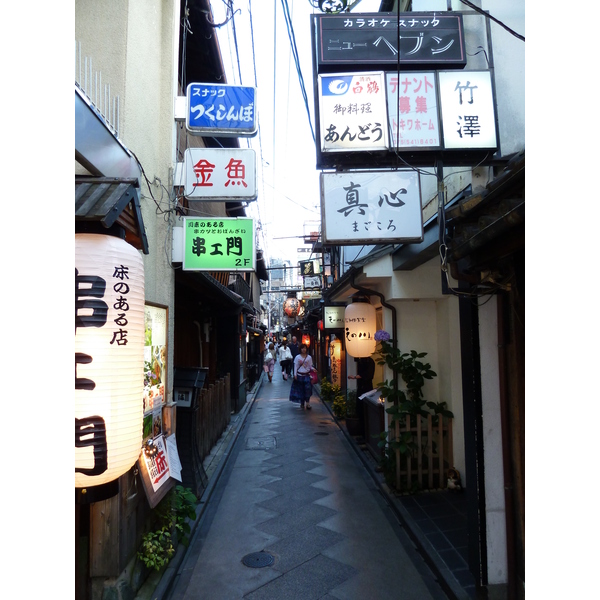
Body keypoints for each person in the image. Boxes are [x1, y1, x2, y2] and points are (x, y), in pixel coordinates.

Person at [348, 356, 375, 437]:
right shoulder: (361, 360)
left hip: (366, 389)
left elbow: (367, 375)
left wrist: (355, 377)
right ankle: (362, 433)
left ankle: (365, 434)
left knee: (364, 411)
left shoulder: (369, 361)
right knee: (359, 410)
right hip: (361, 389)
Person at [289, 343, 313, 409]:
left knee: (308, 389)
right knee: (301, 390)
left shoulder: (309, 357)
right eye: (302, 348)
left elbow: (310, 366)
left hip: (306, 375)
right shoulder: (297, 357)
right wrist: (295, 374)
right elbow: (295, 366)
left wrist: (313, 369)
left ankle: (307, 403)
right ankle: (302, 403)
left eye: (305, 348)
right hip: (300, 375)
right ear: (300, 349)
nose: (303, 350)